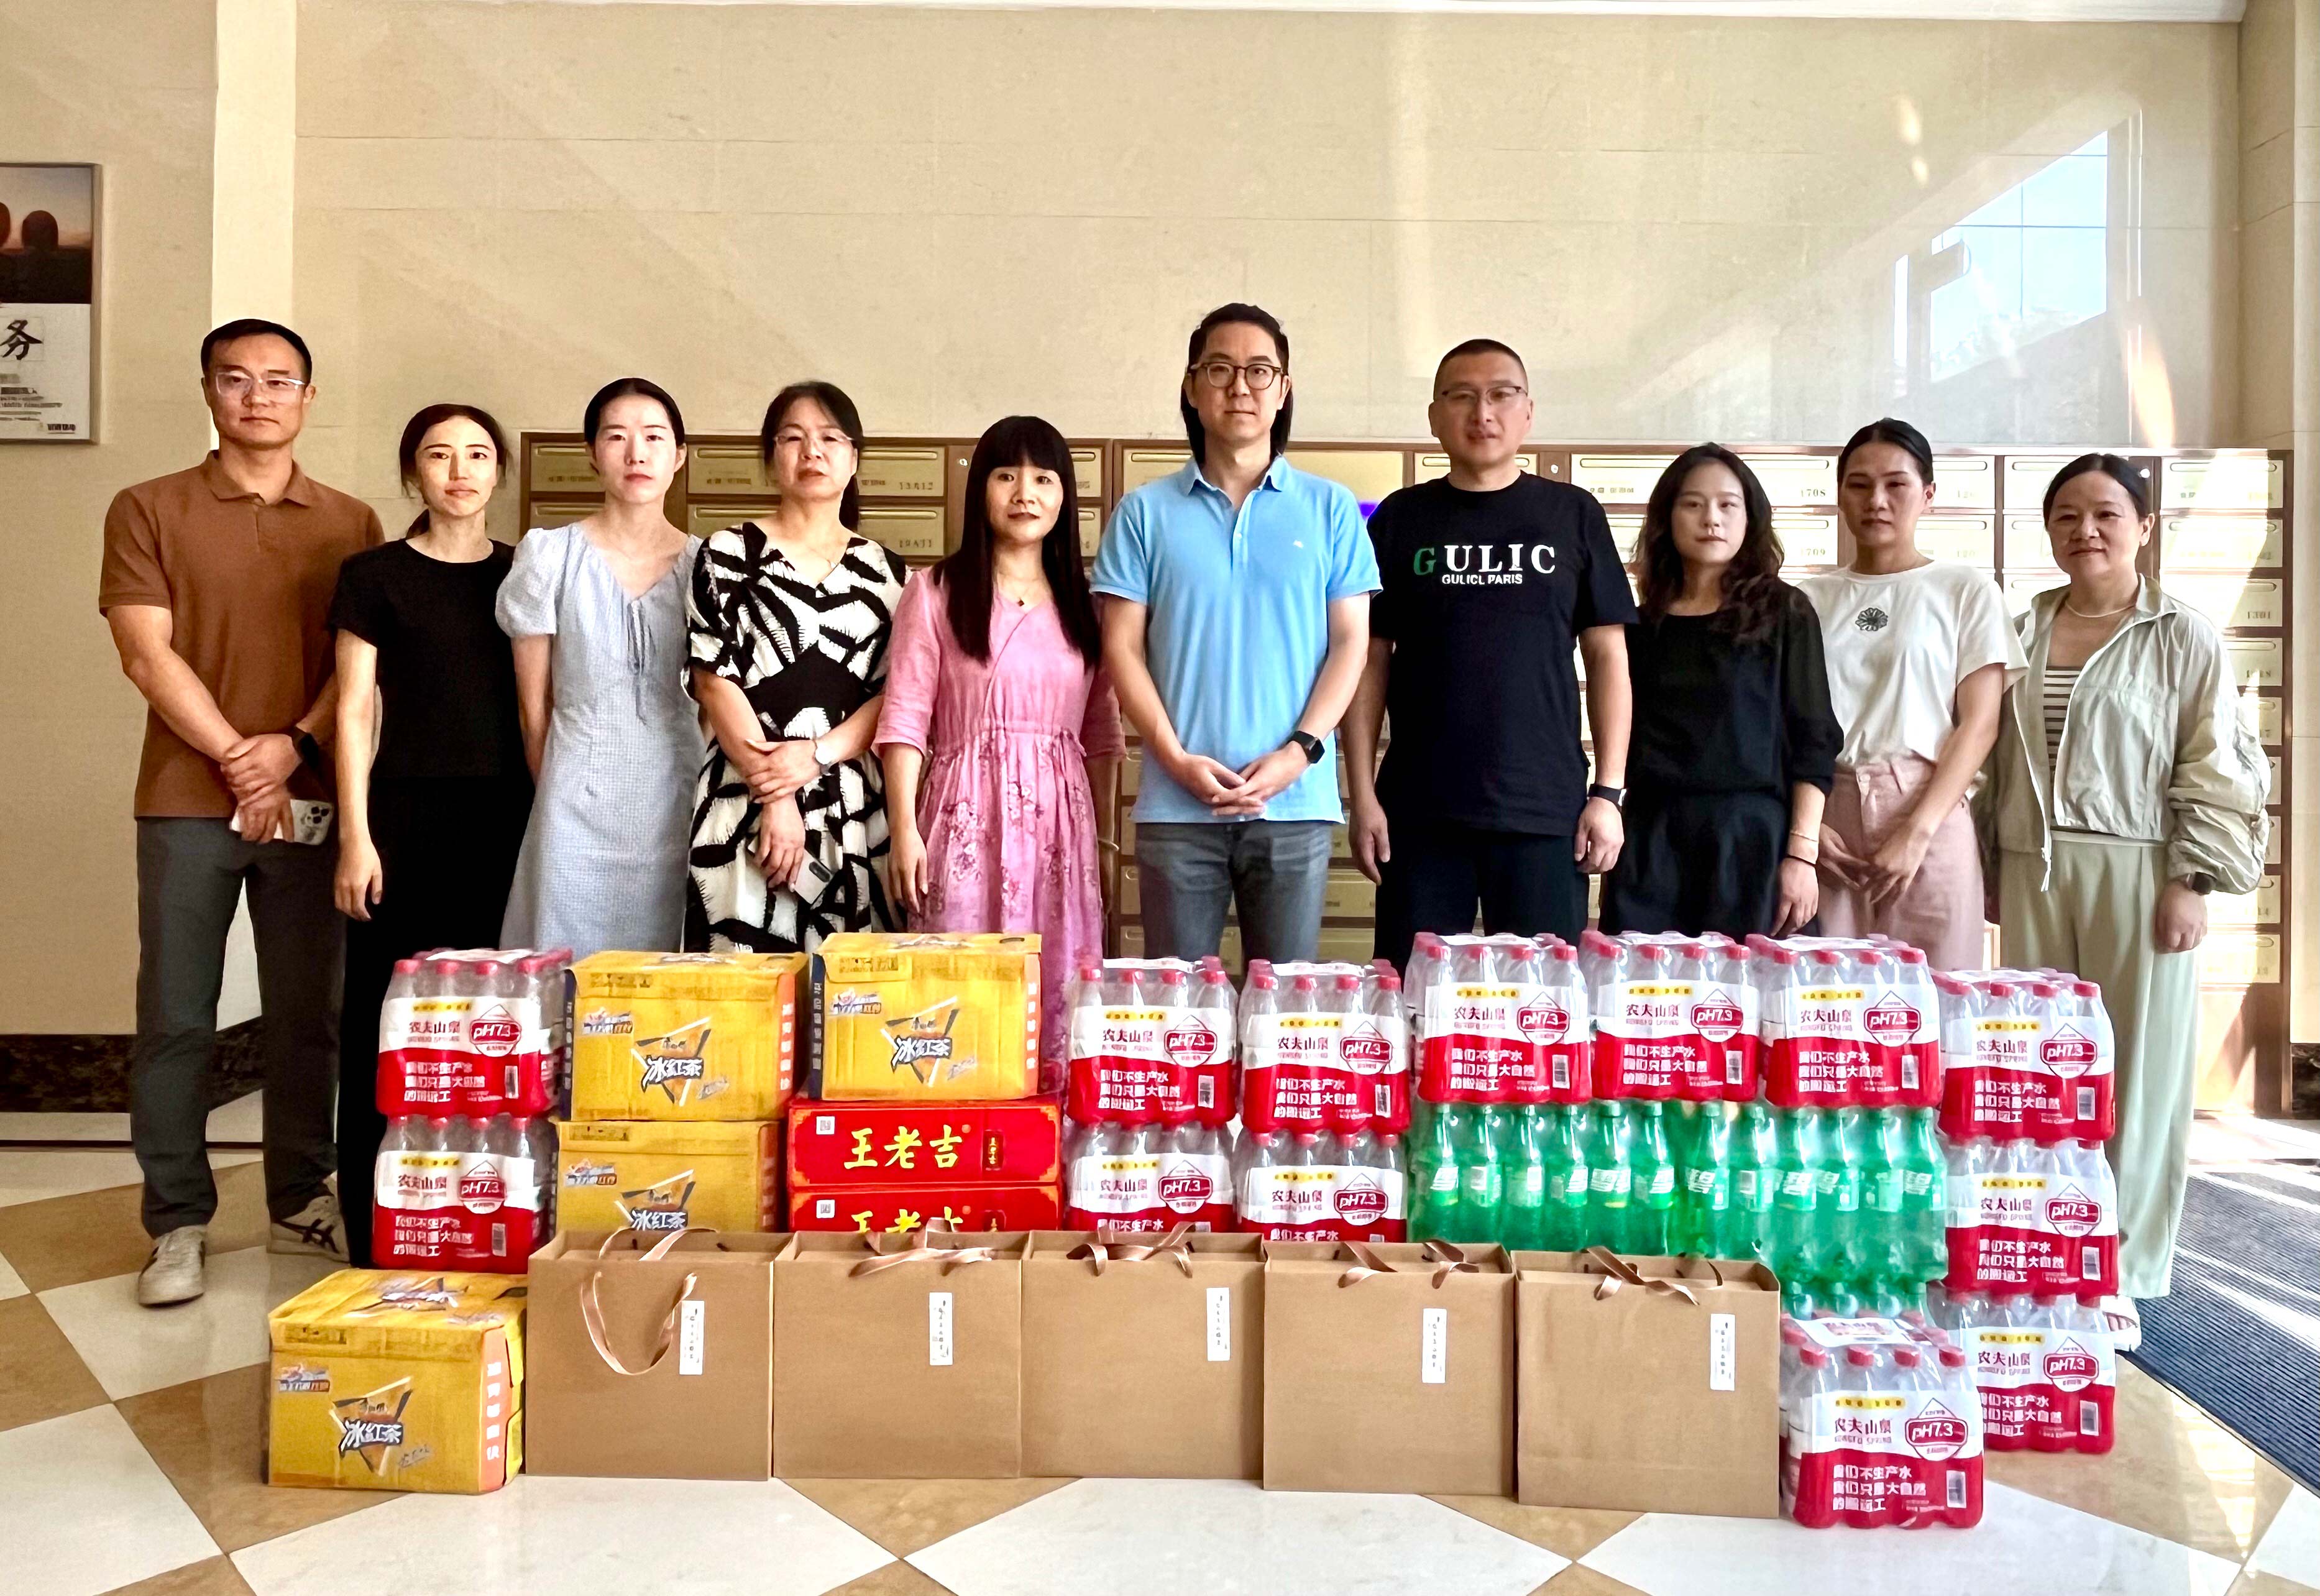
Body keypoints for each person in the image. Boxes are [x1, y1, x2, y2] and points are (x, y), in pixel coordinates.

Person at [98, 318, 380, 1305]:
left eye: (279, 380)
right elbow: (146, 653)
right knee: (177, 1016)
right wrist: (238, 758)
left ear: (309, 397)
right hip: (187, 802)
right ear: (209, 392)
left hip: (314, 802)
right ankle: (176, 1221)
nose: (258, 397)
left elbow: (360, 670)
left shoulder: (351, 521)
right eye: (237, 379)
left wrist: (291, 748)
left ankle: (301, 1197)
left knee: (310, 1014)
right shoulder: (148, 507)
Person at [1981, 454, 2268, 1350]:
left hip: (2140, 866)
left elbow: (2214, 762)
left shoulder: (2182, 635)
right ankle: (2044, 1251)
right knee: (2037, 1073)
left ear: (2144, 527)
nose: (2086, 531)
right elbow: (1992, 758)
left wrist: (2192, 877)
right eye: (2066, 515)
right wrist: (1990, 860)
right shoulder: (2021, 629)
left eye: (2106, 513)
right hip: (2033, 865)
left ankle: (2121, 1270)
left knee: (2137, 1078)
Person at [1093, 303, 1378, 964]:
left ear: (1283, 389)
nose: (1240, 387)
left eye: (1259, 371)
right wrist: (1173, 759)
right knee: (1176, 1005)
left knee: (1286, 1006)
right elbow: (1121, 648)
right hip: (1176, 809)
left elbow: (1351, 644)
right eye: (1219, 369)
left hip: (1295, 805)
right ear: (1192, 388)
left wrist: (1299, 753)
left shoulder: (1332, 508)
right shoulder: (1142, 513)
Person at [1346, 339, 1635, 970]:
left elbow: (1608, 657)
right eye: (1461, 396)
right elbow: (1367, 661)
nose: (1482, 413)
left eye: (1501, 395)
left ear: (1528, 411)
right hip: (1419, 813)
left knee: (1542, 1004)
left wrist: (1608, 794)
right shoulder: (1400, 519)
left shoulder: (1572, 514)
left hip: (1543, 810)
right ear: (1434, 416)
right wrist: (1361, 794)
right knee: (1412, 997)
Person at [329, 404, 530, 1267]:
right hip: (402, 820)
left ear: (498, 473)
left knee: (497, 1022)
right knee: (386, 1019)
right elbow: (352, 710)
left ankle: (482, 1214)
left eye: (478, 455)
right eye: (439, 455)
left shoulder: (524, 573)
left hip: (507, 820)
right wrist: (355, 836)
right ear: (413, 472)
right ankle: (372, 1226)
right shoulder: (373, 575)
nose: (460, 471)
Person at [877, 415, 1125, 1066]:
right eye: (1006, 476)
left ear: (1065, 495)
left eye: (1044, 479)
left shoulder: (1088, 605)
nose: (1025, 494)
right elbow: (904, 717)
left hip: (1059, 828)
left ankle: (1045, 1126)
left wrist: (1104, 840)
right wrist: (903, 830)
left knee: (1056, 989)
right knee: (954, 988)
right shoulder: (933, 592)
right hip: (963, 816)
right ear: (980, 489)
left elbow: (1101, 734)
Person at [684, 382, 908, 952]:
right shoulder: (726, 554)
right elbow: (713, 679)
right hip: (744, 795)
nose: (812, 451)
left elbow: (892, 696)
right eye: (793, 438)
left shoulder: (889, 573)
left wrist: (816, 755)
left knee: (852, 982)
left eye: (830, 438)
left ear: (854, 459)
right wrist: (776, 795)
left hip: (853, 799)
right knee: (740, 973)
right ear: (771, 458)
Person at [1795, 418, 2024, 970]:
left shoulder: (1964, 589)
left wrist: (1917, 832)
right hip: (1827, 811)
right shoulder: (1805, 599)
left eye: (1895, 484)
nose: (1876, 500)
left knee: (1939, 991)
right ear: (1839, 495)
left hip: (1928, 806)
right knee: (1828, 996)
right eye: (1859, 485)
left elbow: (1979, 724)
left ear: (1928, 495)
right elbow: (1782, 723)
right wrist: (1804, 829)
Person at [1600, 445, 1843, 938]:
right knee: (1646, 984)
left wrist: (1801, 855)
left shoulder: (1784, 612)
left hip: (1751, 839)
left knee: (1750, 986)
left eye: (1727, 505)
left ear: (1749, 518)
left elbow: (1813, 739)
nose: (1711, 518)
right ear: (1666, 518)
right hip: (1651, 840)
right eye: (1692, 504)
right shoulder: (1640, 625)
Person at [498, 378, 702, 958]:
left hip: (677, 792)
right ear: (592, 453)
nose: (636, 453)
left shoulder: (706, 564)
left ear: (678, 455)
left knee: (667, 964)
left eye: (654, 437)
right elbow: (532, 708)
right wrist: (557, 788)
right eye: (616, 437)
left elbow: (715, 704)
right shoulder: (550, 554)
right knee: (566, 959)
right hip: (573, 794)